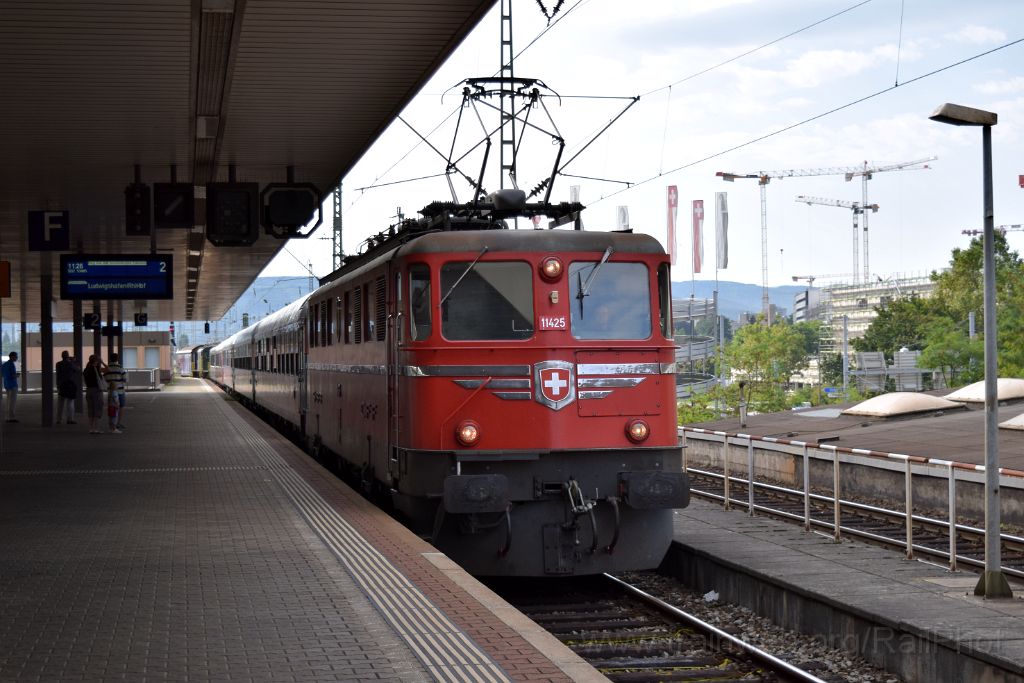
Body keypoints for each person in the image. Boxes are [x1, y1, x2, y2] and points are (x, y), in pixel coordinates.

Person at [83, 354, 107, 434]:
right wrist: (102, 362)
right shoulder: (96, 368)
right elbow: (108, 370)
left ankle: (91, 428)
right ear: (96, 361)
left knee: (90, 410)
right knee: (97, 409)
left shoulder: (86, 369)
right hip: (96, 391)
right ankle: (96, 428)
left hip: (88, 391)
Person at [104, 352, 127, 430]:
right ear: (117, 359)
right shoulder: (120, 368)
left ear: (110, 359)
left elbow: (104, 379)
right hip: (120, 391)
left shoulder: (107, 368)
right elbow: (125, 379)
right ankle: (118, 423)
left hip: (110, 391)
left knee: (111, 408)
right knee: (121, 406)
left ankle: (112, 423)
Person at [55, 351, 80, 425]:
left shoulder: (58, 364)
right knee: (70, 402)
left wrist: (58, 385)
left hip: (62, 384)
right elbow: (78, 369)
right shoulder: (71, 364)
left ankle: (59, 419)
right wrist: (72, 361)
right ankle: (70, 419)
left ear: (61, 356)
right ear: (68, 356)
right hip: (70, 384)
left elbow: (58, 375)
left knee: (60, 403)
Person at [2, 351, 18, 423]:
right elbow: (13, 375)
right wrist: (17, 375)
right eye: (16, 356)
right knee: (12, 402)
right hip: (12, 385)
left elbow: (2, 374)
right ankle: (11, 418)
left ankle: (7, 417)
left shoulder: (4, 364)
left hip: (6, 384)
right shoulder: (11, 364)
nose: (17, 358)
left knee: (8, 401)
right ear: (12, 357)